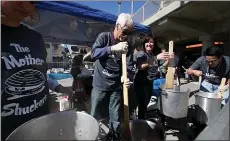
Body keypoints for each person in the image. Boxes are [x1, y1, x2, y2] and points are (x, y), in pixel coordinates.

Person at [90, 13, 133, 139]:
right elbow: (93, 53)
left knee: (115, 119)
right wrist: (112, 48)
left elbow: (129, 66)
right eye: (125, 32)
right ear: (117, 26)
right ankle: (91, 137)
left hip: (115, 88)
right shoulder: (104, 37)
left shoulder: (127, 46)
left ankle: (114, 137)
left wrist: (126, 77)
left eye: (129, 33)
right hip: (99, 86)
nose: (126, 36)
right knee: (94, 116)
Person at [134, 35, 173, 119]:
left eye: (151, 42)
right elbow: (140, 66)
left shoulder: (152, 54)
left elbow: (161, 67)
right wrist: (155, 58)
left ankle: (142, 118)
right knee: (142, 104)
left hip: (149, 82)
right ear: (144, 44)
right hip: (141, 83)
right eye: (147, 42)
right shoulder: (141, 53)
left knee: (146, 103)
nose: (149, 44)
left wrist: (168, 59)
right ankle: (140, 122)